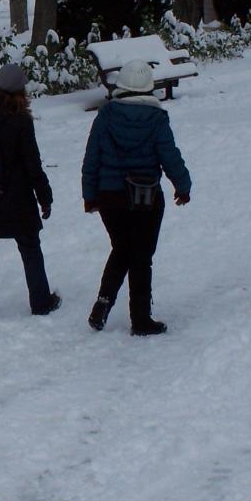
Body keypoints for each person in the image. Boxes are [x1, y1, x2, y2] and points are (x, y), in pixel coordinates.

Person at [81, 60, 191, 336]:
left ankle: (103, 303)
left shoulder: (105, 116)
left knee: (121, 249)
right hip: (145, 197)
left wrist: (90, 195)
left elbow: (91, 159)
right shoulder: (156, 119)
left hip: (110, 198)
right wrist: (183, 185)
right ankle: (141, 319)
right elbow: (169, 155)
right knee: (141, 256)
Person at [0, 64, 60, 330]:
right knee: (30, 248)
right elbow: (32, 164)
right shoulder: (21, 122)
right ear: (22, 90)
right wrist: (45, 196)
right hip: (17, 199)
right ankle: (41, 301)